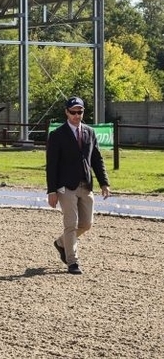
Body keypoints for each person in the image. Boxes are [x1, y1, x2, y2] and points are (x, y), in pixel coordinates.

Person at [46, 96, 111, 275]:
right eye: (73, 112)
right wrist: (51, 191)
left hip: (86, 185)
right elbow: (52, 165)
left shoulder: (90, 132)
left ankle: (61, 243)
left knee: (87, 223)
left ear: (83, 112)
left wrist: (104, 182)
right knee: (71, 224)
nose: (76, 115)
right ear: (67, 112)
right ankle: (72, 262)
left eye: (79, 112)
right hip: (65, 187)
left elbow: (97, 159)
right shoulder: (57, 135)